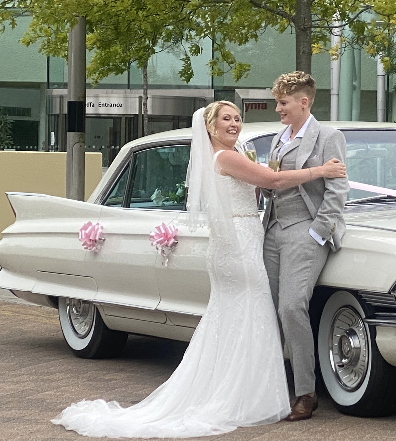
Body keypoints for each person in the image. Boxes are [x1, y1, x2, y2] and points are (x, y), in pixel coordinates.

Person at [51, 101, 346, 438]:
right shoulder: (226, 157)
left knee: (238, 318)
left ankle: (239, 390)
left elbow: (261, 186)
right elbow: (274, 181)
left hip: (236, 243)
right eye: (226, 119)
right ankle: (242, 395)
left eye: (238, 118)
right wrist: (320, 171)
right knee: (253, 313)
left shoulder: (227, 156)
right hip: (239, 245)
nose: (234, 123)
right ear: (210, 127)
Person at [262, 71, 349, 422]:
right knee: (266, 308)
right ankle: (273, 384)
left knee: (292, 307)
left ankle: (306, 393)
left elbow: (339, 188)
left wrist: (318, 232)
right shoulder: (278, 139)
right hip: (273, 230)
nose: (278, 108)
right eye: (277, 102)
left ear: (304, 102)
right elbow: (273, 183)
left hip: (305, 229)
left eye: (283, 103)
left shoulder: (329, 136)